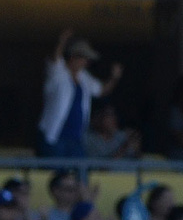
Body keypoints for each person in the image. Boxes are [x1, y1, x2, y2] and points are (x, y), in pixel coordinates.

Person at [37, 30, 122, 158]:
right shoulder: (58, 73)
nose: (86, 63)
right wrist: (62, 41)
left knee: (79, 174)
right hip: (54, 137)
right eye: (84, 58)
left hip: (76, 139)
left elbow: (102, 90)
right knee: (56, 174)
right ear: (73, 57)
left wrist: (114, 78)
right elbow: (55, 59)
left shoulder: (84, 77)